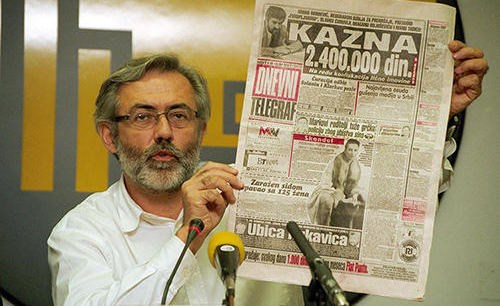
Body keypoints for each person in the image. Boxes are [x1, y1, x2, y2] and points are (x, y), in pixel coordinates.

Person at [48, 40, 488, 305]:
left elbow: (388, 211)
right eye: (143, 117)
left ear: (200, 129)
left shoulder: (255, 190)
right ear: (109, 136)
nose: (164, 133)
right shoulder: (81, 233)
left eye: (179, 116)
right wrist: (189, 234)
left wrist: (430, 115)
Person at [307, 139, 365, 228]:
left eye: (355, 150)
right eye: (350, 150)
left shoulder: (356, 167)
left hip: (345, 195)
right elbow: (326, 182)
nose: (352, 153)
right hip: (330, 191)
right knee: (326, 199)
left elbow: (354, 185)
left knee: (361, 200)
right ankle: (324, 228)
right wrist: (335, 193)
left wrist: (354, 194)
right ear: (345, 149)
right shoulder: (335, 162)